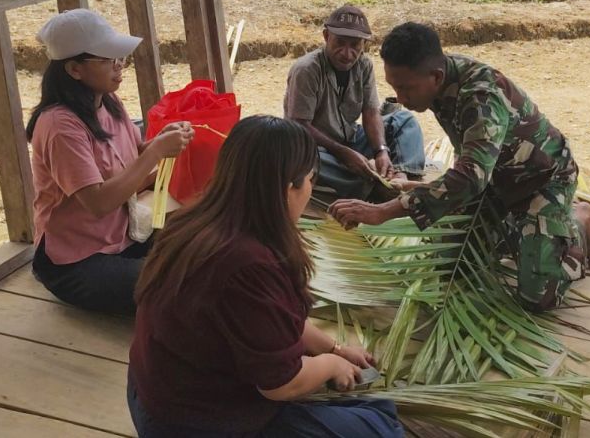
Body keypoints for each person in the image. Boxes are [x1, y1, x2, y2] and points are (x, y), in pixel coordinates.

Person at [128, 116, 404, 438]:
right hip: (191, 422)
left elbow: (269, 319)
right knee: (383, 427)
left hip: (154, 395)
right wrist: (332, 366)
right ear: (290, 188)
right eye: (311, 179)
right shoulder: (249, 264)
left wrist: (335, 349)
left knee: (374, 405)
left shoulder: (193, 220)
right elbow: (280, 385)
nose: (311, 190)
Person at [328, 22, 590, 312]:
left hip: (542, 181)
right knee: (452, 268)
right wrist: (421, 188)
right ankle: (524, 230)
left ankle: (574, 219)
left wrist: (381, 212)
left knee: (538, 297)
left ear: (436, 77)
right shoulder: (439, 77)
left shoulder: (482, 96)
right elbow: (472, 162)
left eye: (406, 89)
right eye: (395, 87)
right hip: (494, 181)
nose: (402, 99)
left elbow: (472, 176)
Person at [26, 9, 193, 316]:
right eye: (106, 60)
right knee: (178, 286)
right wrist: (157, 152)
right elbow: (98, 202)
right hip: (77, 261)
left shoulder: (108, 100)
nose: (118, 67)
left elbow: (131, 155)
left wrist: (161, 142)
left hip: (125, 236)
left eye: (119, 58)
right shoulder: (60, 126)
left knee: (208, 250)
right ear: (75, 69)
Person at [284, 5, 425, 202]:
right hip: (316, 146)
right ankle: (370, 186)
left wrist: (381, 151)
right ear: (326, 36)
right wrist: (343, 153)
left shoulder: (364, 65)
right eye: (340, 42)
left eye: (355, 45)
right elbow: (299, 125)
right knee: (301, 159)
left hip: (350, 137)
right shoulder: (307, 69)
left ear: (364, 44)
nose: (347, 52)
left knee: (403, 120)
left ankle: (400, 176)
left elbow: (370, 111)